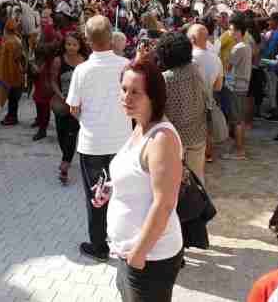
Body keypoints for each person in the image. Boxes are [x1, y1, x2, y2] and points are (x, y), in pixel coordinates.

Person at [94, 57, 183, 302]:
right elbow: (139, 177)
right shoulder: (140, 124)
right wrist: (112, 188)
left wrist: (138, 255)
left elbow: (165, 203)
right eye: (124, 89)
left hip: (150, 259)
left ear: (153, 96)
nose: (127, 97)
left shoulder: (161, 138)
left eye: (136, 92)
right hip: (131, 253)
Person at [66, 15, 131, 262]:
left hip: (93, 142)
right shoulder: (125, 65)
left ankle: (99, 246)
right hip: (122, 142)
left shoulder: (81, 71)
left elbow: (73, 107)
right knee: (123, 193)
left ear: (87, 40)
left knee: (96, 196)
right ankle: (123, 241)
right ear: (110, 37)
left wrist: (88, 120)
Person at [156, 31, 207, 183]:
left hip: (173, 138)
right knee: (197, 178)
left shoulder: (165, 79)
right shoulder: (195, 69)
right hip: (197, 133)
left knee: (172, 182)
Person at [50, 31, 88, 184]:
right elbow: (53, 81)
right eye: (68, 44)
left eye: (74, 44)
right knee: (61, 133)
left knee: (72, 132)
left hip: (78, 106)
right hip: (61, 103)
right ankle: (66, 156)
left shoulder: (85, 61)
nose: (71, 47)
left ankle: (65, 163)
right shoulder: (58, 61)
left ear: (80, 46)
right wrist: (61, 96)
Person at [188, 23, 224, 163]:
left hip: (190, 103)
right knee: (207, 130)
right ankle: (207, 155)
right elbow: (218, 87)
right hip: (208, 102)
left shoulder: (188, 59)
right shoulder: (216, 59)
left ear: (192, 39)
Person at [222, 13, 252, 161]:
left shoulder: (238, 48)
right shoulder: (246, 46)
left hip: (237, 87)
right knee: (239, 119)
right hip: (242, 86)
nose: (230, 32)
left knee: (237, 120)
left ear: (239, 31)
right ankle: (238, 147)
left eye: (232, 29)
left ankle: (240, 151)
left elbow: (228, 67)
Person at [0, 19, 25, 126]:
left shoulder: (9, 42)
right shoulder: (17, 39)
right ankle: (12, 115)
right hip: (17, 72)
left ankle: (12, 117)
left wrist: (6, 76)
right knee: (14, 98)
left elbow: (7, 60)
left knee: (12, 97)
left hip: (10, 73)